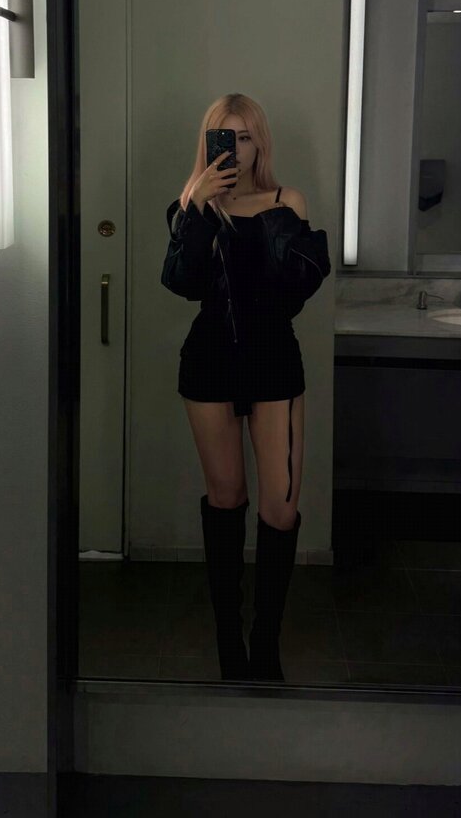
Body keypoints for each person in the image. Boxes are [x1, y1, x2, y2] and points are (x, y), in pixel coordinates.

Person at [161, 93, 331, 683]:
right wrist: (200, 208)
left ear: (260, 143)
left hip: (274, 360)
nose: (235, 148)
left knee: (280, 507)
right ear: (207, 143)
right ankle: (228, 637)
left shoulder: (288, 201)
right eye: (223, 137)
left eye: (245, 137)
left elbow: (295, 292)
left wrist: (269, 223)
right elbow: (181, 283)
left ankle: (266, 638)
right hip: (209, 361)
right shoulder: (189, 206)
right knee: (227, 496)